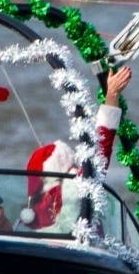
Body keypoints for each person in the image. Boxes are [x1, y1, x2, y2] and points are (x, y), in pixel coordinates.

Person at [19, 65, 132, 232]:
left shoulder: (27, 217)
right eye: (72, 165)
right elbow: (100, 150)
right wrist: (112, 95)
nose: (78, 169)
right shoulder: (70, 192)